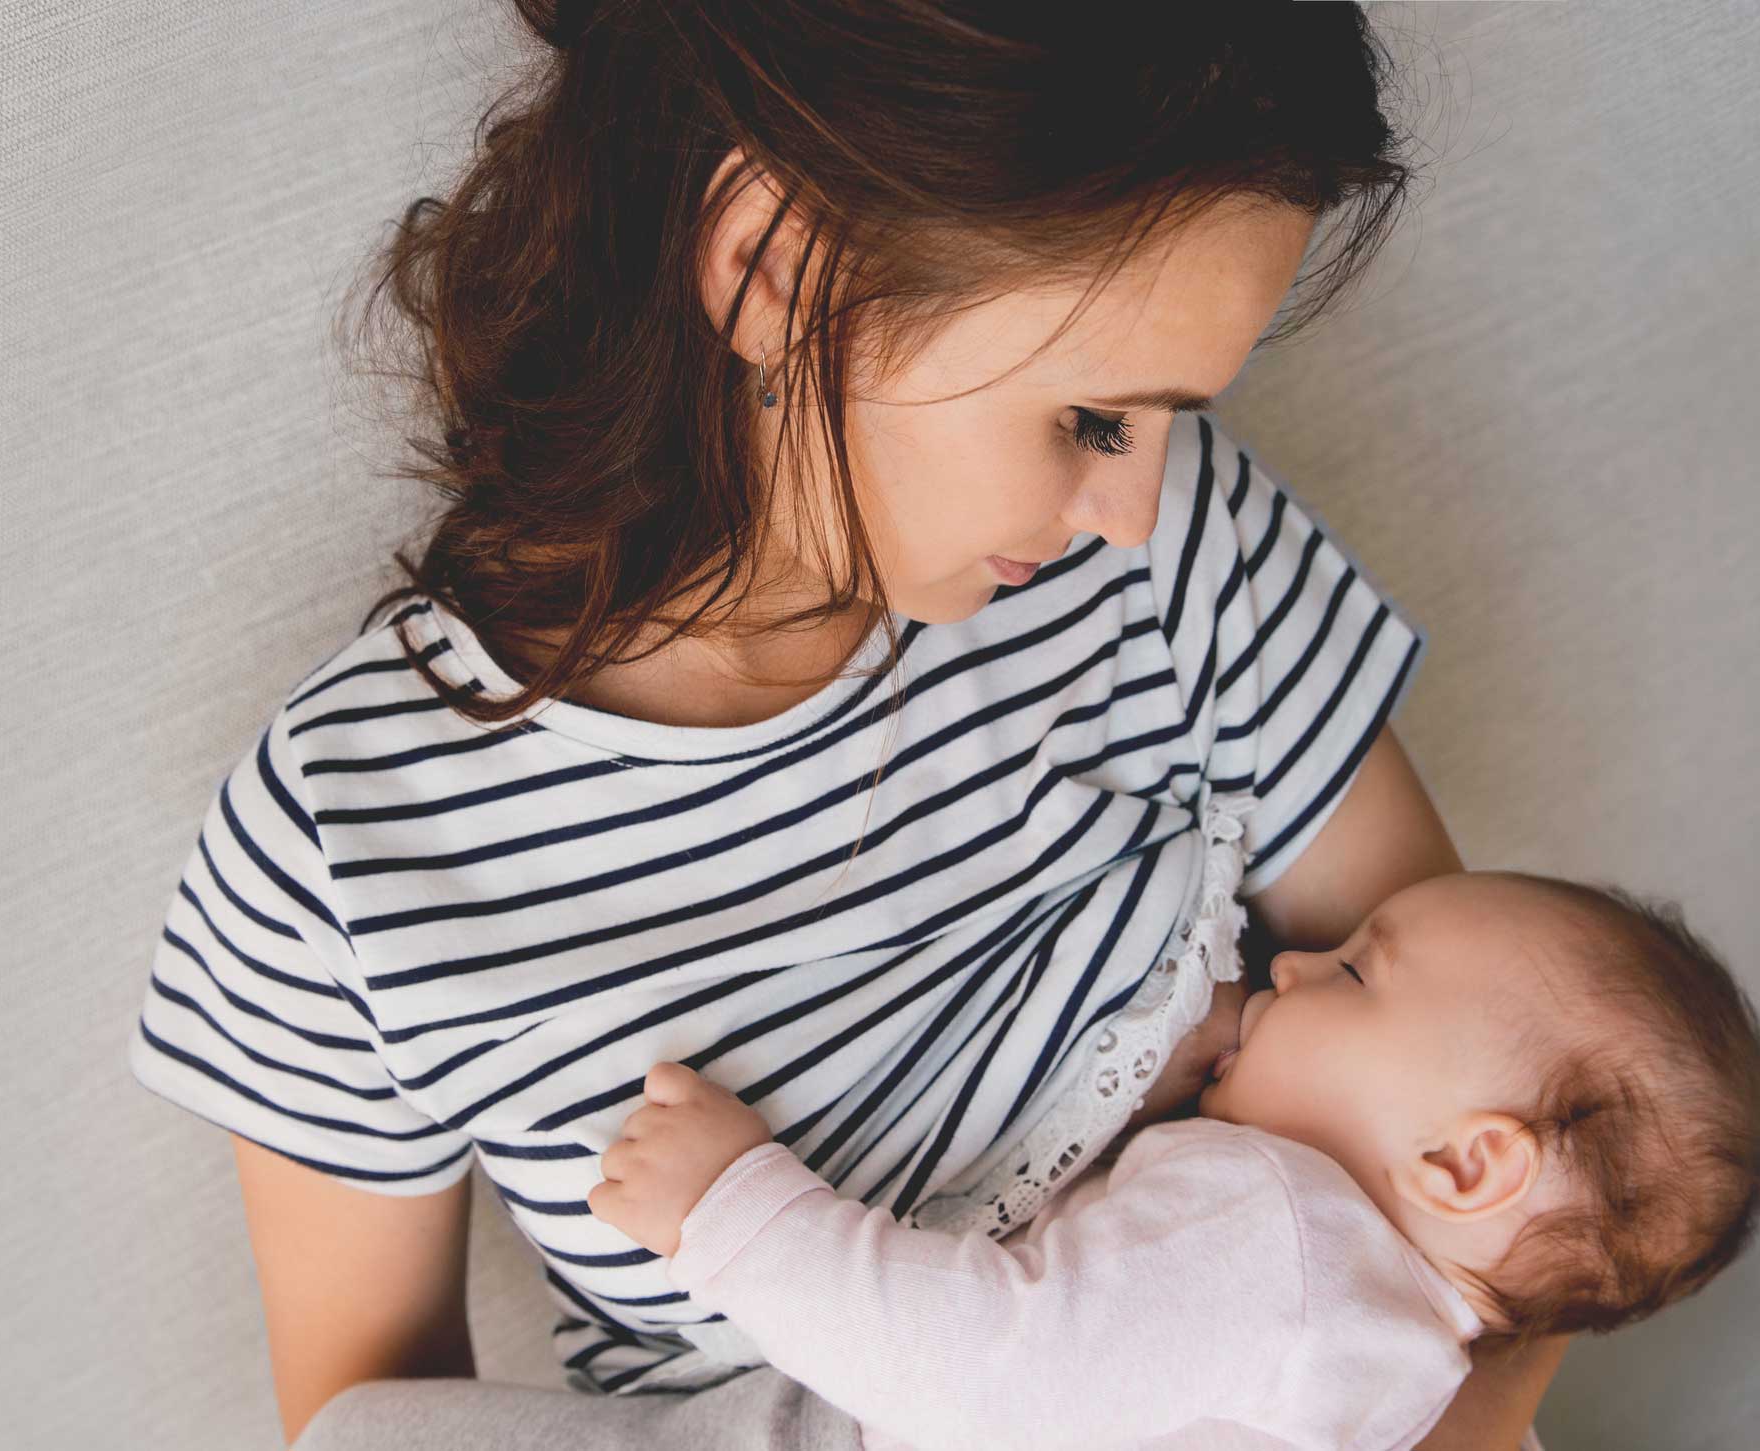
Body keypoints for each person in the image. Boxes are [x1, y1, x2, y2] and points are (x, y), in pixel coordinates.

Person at [126, 3, 1571, 1447]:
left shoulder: (1172, 555)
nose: (1129, 512)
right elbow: (374, 1424)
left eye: (1170, 421)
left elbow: (1535, 1151)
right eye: (1090, 421)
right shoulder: (345, 841)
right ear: (775, 264)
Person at [591, 871, 1760, 1451]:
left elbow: (983, 1368)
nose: (1296, 963)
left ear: (1468, 1167)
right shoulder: (1405, 1365)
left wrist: (730, 1207)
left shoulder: (1275, 1228)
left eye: (1359, 971)